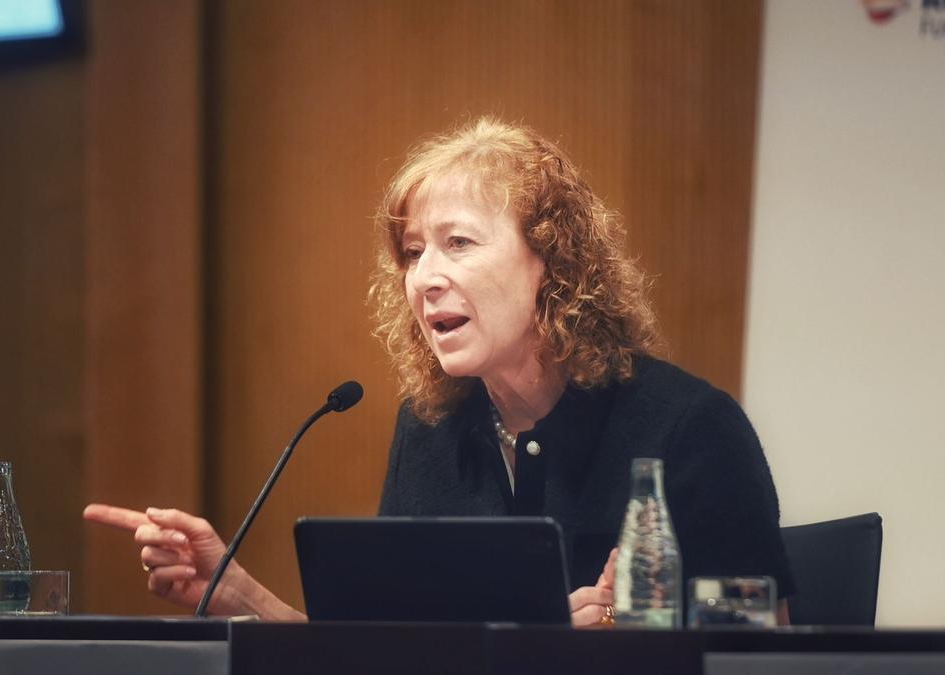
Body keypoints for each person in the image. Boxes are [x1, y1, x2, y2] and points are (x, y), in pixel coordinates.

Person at [84, 117, 793, 626]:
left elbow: (766, 650)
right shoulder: (430, 430)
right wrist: (238, 593)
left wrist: (607, 651)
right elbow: (386, 657)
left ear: (552, 263)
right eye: (414, 252)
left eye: (458, 243)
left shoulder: (691, 431)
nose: (425, 278)